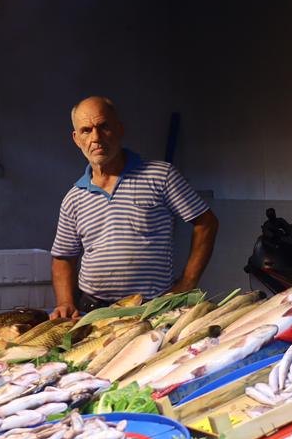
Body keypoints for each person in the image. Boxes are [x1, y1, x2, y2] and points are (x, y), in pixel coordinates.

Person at [49, 95, 219, 317]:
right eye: (86, 130)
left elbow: (206, 222)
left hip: (152, 310)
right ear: (76, 138)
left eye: (104, 127)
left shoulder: (160, 176)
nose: (96, 137)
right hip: (93, 310)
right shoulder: (74, 198)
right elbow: (63, 257)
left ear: (119, 129)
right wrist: (65, 302)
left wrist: (187, 282)